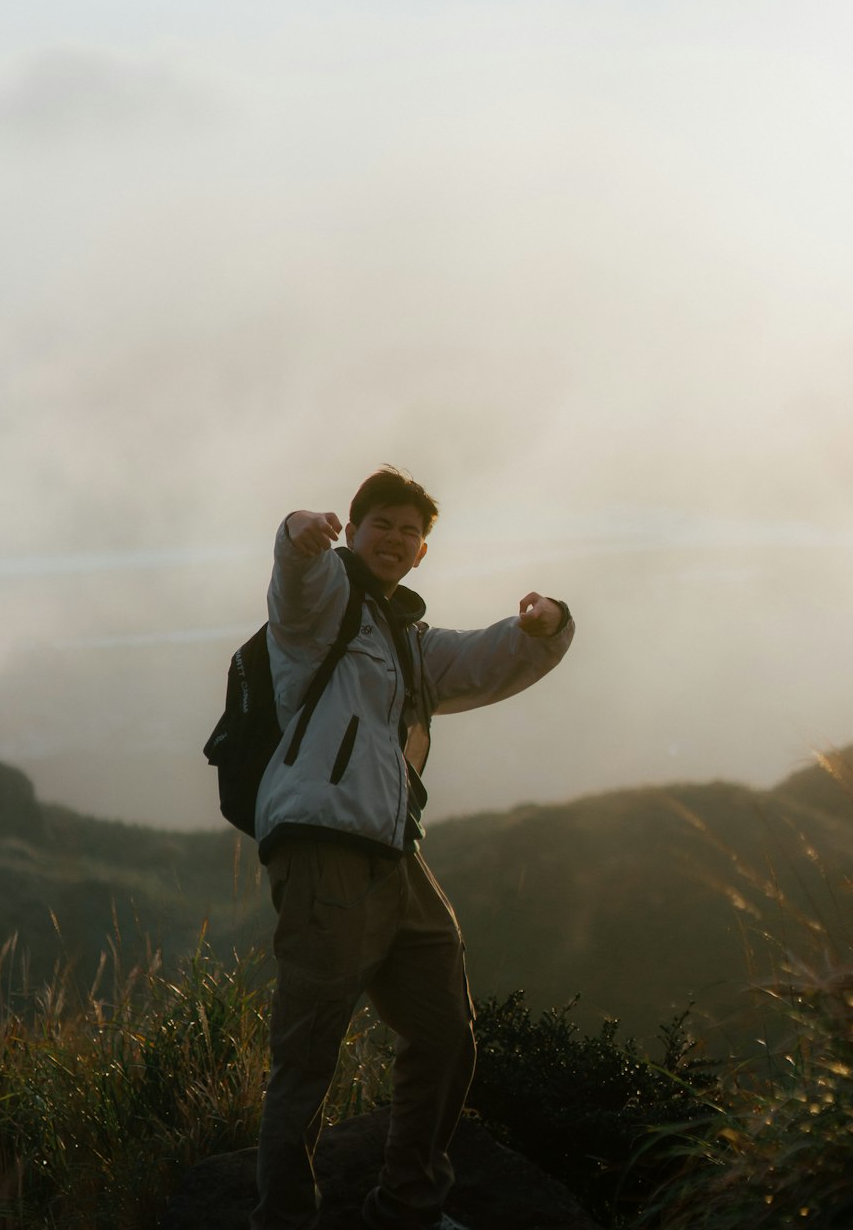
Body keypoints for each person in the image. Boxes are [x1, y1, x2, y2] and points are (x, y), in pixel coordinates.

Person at [251, 467, 575, 1230]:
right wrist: (299, 532)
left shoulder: (407, 640)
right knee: (308, 1052)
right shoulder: (323, 609)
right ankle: (285, 1219)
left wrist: (547, 622)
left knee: (446, 1032)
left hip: (395, 851)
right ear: (355, 533)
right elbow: (296, 579)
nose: (394, 539)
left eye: (408, 531)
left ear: (422, 551)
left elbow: (486, 658)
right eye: (380, 525)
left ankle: (409, 1205)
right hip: (324, 845)